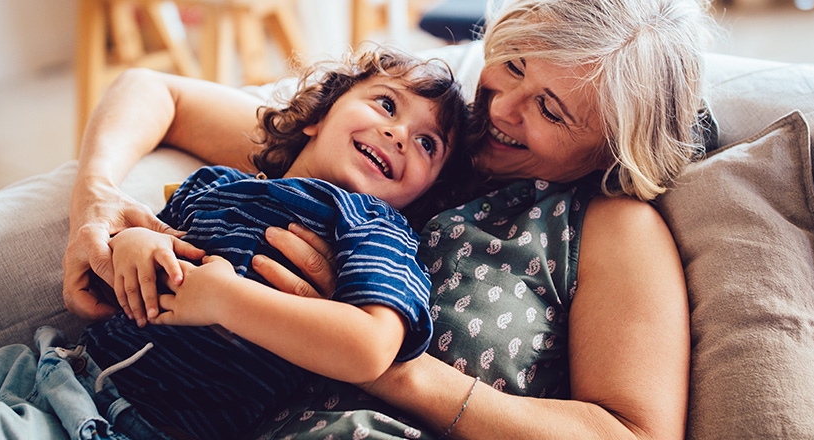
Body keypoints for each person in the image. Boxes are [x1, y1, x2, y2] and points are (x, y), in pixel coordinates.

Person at [59, 0, 715, 438]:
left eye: (550, 110)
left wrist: (384, 362)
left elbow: (629, 434)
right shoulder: (412, 150)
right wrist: (96, 199)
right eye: (512, 64)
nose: (501, 106)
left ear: (612, 146)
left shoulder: (611, 226)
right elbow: (159, 94)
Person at [0, 48, 475, 440]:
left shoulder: (373, 231)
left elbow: (369, 347)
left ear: (422, 193)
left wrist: (225, 300)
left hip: (132, 426)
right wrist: (126, 248)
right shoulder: (218, 184)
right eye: (386, 106)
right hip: (53, 366)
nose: (397, 135)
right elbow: (132, 259)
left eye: (426, 144)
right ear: (321, 114)